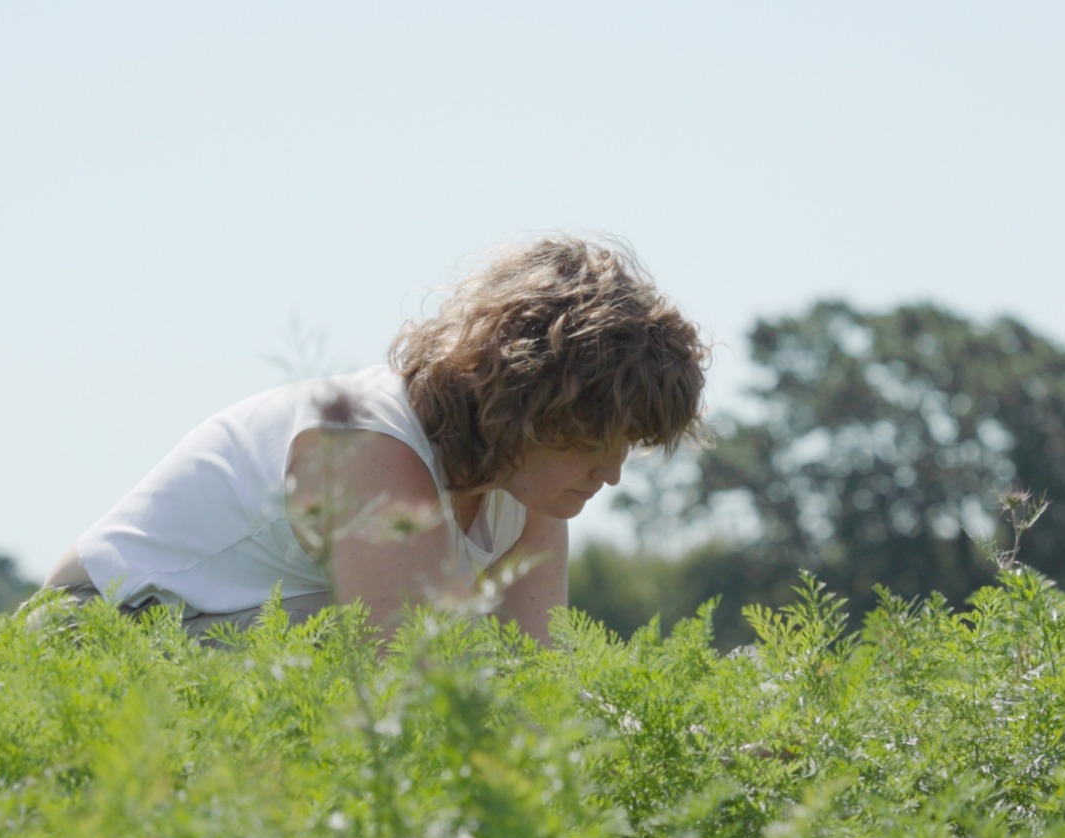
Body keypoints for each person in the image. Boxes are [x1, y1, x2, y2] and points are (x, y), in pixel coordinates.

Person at [40, 237, 708, 644]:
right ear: (521, 403)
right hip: (97, 630)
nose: (613, 474)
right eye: (596, 439)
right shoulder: (366, 447)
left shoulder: (528, 485)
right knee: (349, 652)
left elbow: (535, 679)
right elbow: (413, 687)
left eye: (630, 443)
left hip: (211, 639)